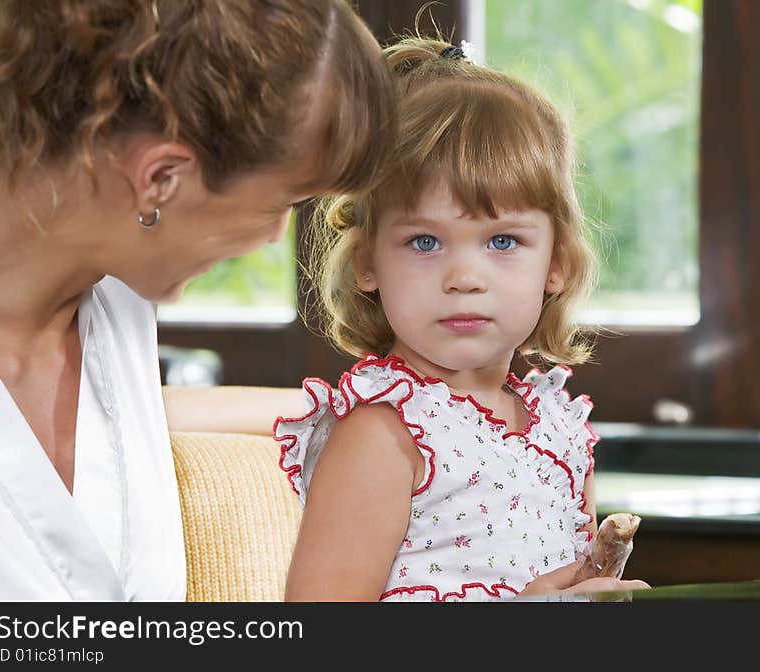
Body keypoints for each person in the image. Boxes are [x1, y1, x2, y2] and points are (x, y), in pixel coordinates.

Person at [0, 0, 395, 601]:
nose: (276, 236)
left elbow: (145, 416)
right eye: (281, 202)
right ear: (160, 179)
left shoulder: (115, 301)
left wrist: (399, 419)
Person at [274, 36, 650, 601]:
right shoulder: (384, 434)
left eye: (502, 240)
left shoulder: (560, 429)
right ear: (367, 263)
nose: (465, 277)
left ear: (557, 264)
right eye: (425, 241)